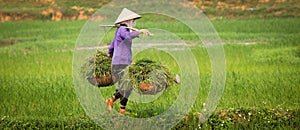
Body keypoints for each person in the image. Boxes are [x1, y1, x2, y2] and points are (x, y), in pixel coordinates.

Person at [105, 8, 151, 114]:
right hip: (120, 63)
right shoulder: (122, 29)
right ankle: (111, 100)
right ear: (127, 20)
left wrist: (109, 54)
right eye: (132, 20)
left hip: (122, 62)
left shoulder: (120, 30)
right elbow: (127, 36)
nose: (133, 22)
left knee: (126, 86)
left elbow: (112, 45)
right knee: (127, 85)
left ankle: (122, 109)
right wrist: (140, 31)